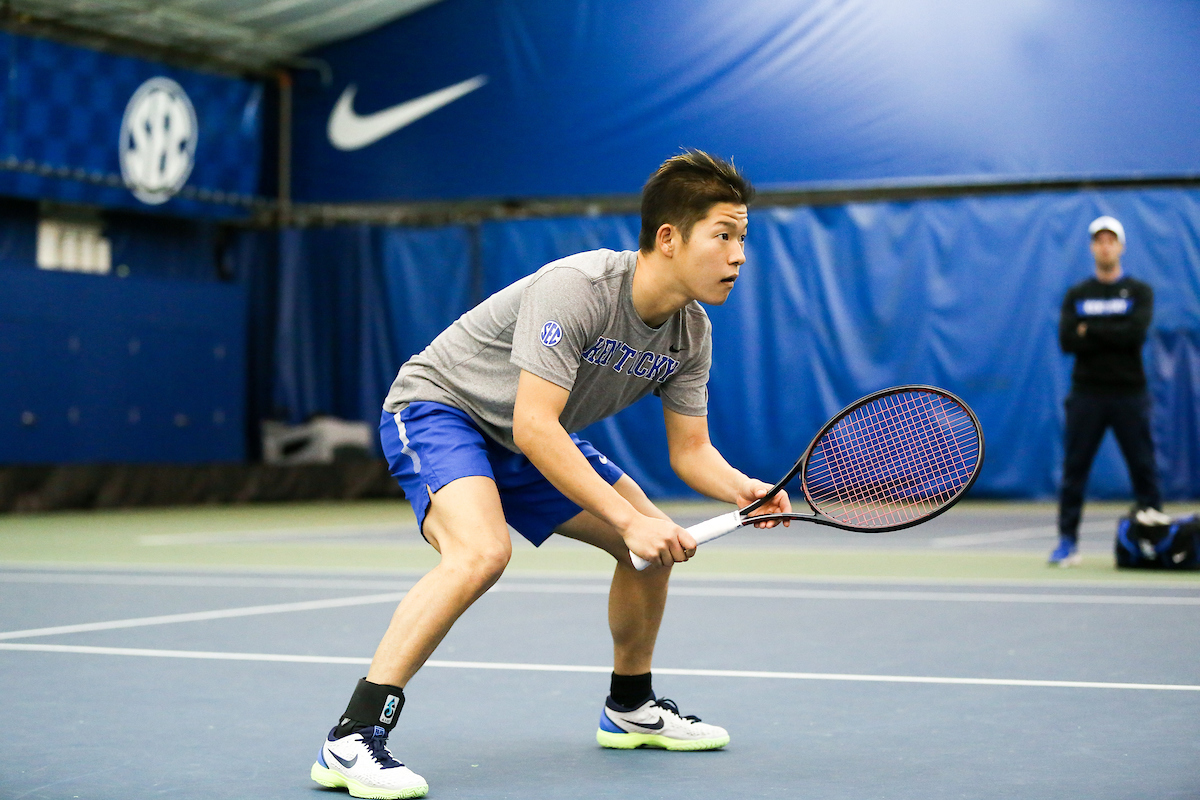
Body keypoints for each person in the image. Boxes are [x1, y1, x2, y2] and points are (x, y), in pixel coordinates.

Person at [309, 150, 791, 799]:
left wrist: (743, 489)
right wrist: (631, 518)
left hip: (524, 434)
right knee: (481, 552)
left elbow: (691, 453)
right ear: (669, 238)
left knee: (648, 547)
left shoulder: (691, 333)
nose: (738, 255)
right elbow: (538, 426)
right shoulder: (580, 287)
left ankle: (630, 707)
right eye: (724, 235)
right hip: (444, 409)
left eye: (743, 238)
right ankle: (352, 736)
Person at [1052, 215, 1162, 567]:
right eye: (1098, 240)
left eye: (1110, 240)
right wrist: (1110, 332)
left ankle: (1155, 540)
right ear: (1092, 247)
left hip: (1130, 394)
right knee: (1074, 470)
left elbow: (1135, 335)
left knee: (1143, 468)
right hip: (1086, 395)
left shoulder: (1140, 292)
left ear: (1121, 246)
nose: (1105, 246)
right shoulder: (1077, 294)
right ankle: (1067, 542)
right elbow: (1067, 341)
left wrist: (1091, 331)